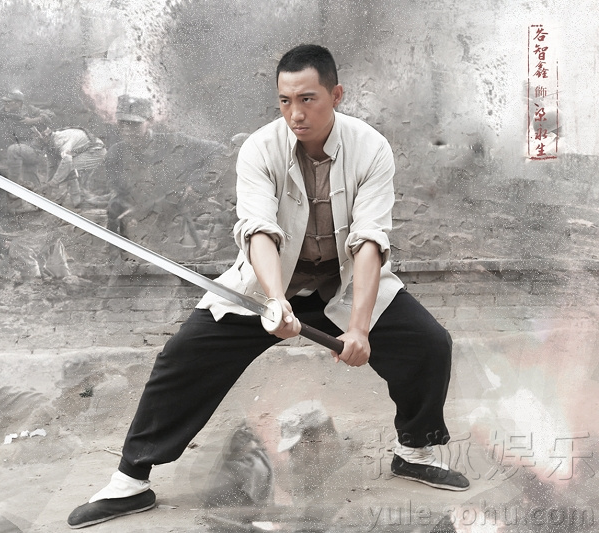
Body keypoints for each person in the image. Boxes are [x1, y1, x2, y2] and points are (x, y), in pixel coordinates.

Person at [67, 44, 468, 529]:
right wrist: (276, 302)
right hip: (267, 285)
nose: (295, 113)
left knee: (428, 344)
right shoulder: (260, 148)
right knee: (182, 357)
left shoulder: (370, 148)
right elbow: (259, 231)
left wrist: (360, 328)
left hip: (343, 284)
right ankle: (131, 479)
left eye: (307, 99)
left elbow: (368, 240)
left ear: (336, 95)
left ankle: (415, 450)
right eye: (284, 100)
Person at [105, 94, 225, 258]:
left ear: (150, 121)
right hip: (137, 229)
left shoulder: (174, 142)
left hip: (177, 224)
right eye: (122, 123)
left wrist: (196, 185)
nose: (127, 129)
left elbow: (220, 152)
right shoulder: (116, 153)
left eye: (134, 124)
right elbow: (117, 195)